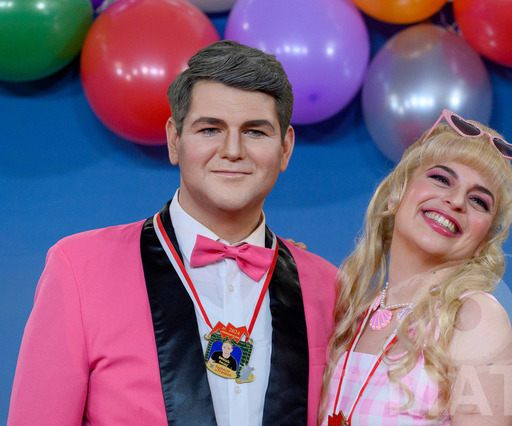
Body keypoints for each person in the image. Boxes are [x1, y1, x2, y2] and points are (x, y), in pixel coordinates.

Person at [8, 40, 337, 426]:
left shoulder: (329, 287)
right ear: (174, 140)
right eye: (210, 129)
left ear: (285, 148)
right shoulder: (79, 268)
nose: (232, 150)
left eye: (255, 132)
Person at [321, 109, 512, 425]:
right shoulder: (353, 315)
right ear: (395, 196)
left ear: (483, 240)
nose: (456, 201)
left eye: (479, 201)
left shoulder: (473, 318)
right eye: (441, 179)